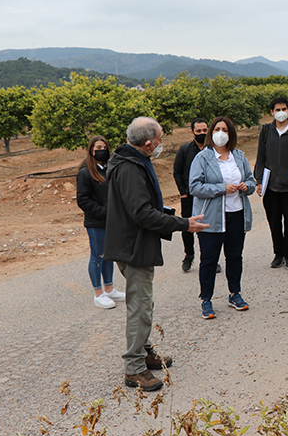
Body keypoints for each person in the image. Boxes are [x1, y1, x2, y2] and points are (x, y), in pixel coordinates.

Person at [105, 117, 209, 392]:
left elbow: (143, 206)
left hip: (133, 242)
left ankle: (144, 351)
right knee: (139, 308)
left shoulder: (132, 161)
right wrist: (183, 223)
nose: (163, 143)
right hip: (134, 246)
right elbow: (141, 213)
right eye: (161, 138)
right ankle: (134, 368)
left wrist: (169, 215)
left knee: (145, 304)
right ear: (149, 143)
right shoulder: (129, 168)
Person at [189, 116, 256, 320]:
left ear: (231, 133)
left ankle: (235, 294)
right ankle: (206, 299)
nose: (221, 133)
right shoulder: (203, 157)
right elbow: (194, 187)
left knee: (235, 257)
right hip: (211, 217)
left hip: (236, 215)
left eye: (225, 129)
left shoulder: (239, 156)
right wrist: (221, 188)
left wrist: (246, 186)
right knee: (209, 259)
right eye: (217, 129)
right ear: (211, 133)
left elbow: (252, 182)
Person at [254, 97, 288, 270]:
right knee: (274, 222)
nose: (281, 112)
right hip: (271, 187)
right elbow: (261, 157)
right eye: (277, 110)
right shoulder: (266, 130)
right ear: (271, 112)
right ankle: (278, 254)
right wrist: (259, 180)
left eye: (284, 109)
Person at [76, 135, 125, 309]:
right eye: (98, 147)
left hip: (111, 221)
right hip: (96, 222)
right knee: (97, 256)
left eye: (104, 147)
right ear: (91, 150)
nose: (101, 150)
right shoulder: (85, 172)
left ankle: (110, 289)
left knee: (109, 254)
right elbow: (83, 200)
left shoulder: (110, 169)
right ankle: (98, 293)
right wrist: (104, 212)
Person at [173, 118, 209, 272]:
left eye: (204, 130)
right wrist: (183, 192)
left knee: (206, 226)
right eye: (199, 131)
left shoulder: (212, 149)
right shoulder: (185, 149)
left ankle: (208, 257)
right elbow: (177, 171)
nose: (202, 133)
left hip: (207, 196)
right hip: (189, 195)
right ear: (192, 132)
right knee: (187, 226)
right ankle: (189, 255)